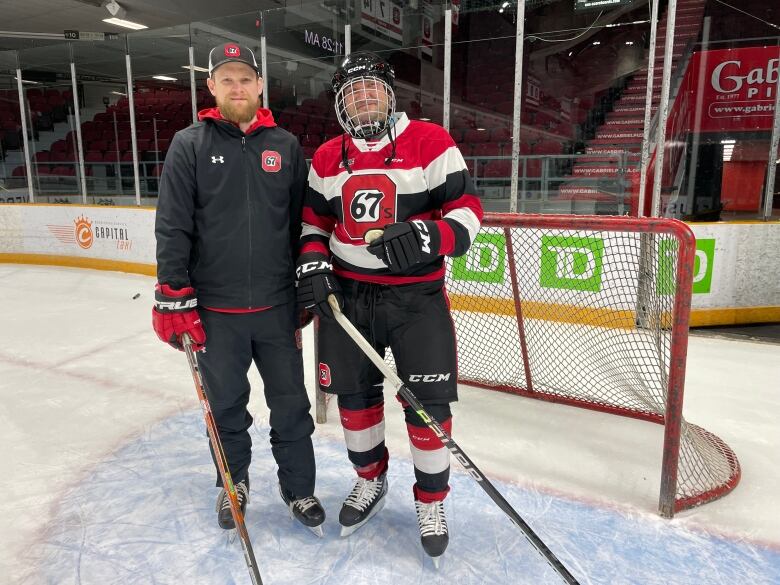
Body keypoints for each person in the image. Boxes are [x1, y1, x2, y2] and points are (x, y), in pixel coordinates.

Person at [295, 52, 483, 564]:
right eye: (352, 92)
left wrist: (430, 234)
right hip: (347, 300)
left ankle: (431, 501)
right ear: (340, 103)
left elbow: (468, 212)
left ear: (389, 94)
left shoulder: (430, 141)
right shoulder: (328, 157)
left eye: (371, 88)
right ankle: (370, 481)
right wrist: (313, 262)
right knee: (354, 405)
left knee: (429, 410)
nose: (363, 98)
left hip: (414, 299)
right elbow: (313, 223)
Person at [153, 42, 325, 536]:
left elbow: (302, 225)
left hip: (276, 308)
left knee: (291, 405)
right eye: (226, 79)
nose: (237, 87)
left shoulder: (286, 146)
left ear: (260, 85)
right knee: (227, 406)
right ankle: (235, 483)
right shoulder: (189, 144)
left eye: (245, 78)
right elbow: (173, 227)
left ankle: (299, 488)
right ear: (210, 86)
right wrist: (173, 291)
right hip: (216, 311)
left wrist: (304, 283)